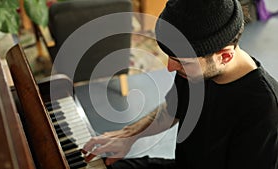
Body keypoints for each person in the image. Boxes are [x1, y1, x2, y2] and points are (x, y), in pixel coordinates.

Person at [83, 0, 278, 168]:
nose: (170, 67)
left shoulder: (264, 112)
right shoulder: (194, 71)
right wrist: (129, 135)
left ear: (224, 56)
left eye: (182, 61)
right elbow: (172, 109)